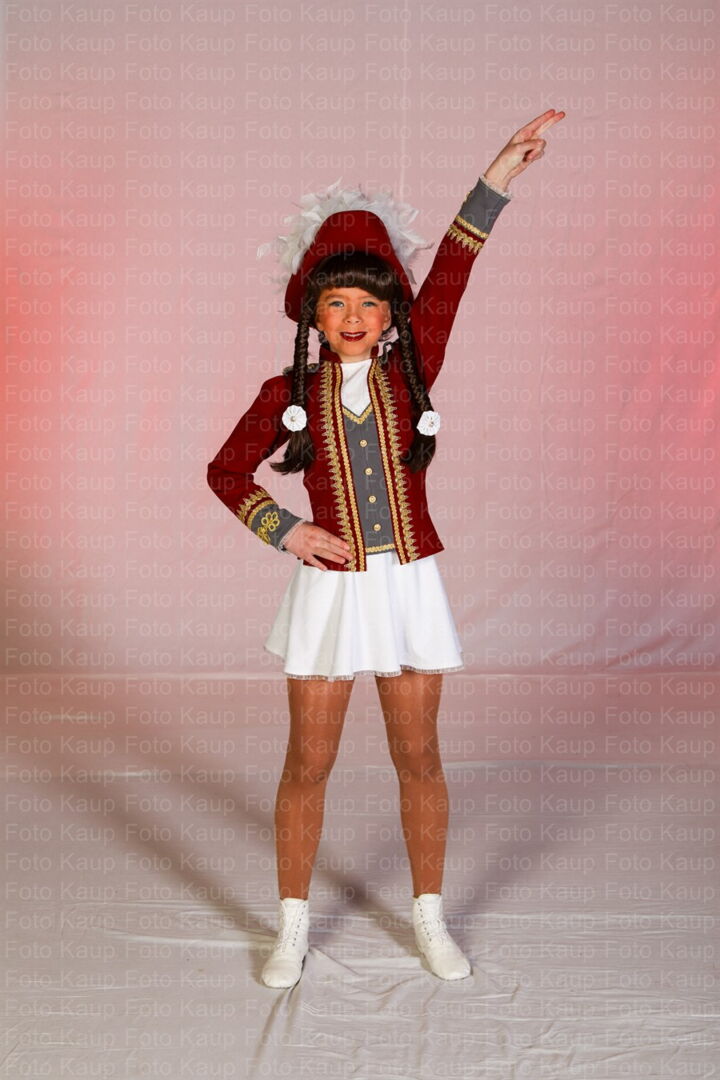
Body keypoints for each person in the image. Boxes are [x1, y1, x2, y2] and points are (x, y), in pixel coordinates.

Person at [207, 109, 565, 989]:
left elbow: (454, 271)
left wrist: (496, 178)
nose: (355, 316)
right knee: (308, 763)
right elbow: (224, 472)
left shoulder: (414, 370)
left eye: (371, 302)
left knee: (420, 758)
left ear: (392, 312)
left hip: (407, 587)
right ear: (313, 312)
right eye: (338, 302)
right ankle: (292, 926)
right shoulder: (285, 391)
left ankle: (429, 917)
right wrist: (287, 530)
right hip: (330, 594)